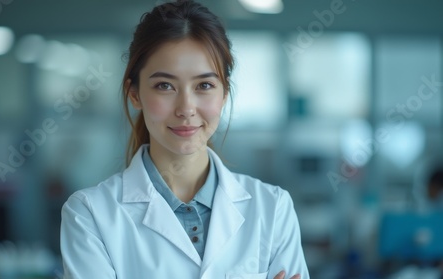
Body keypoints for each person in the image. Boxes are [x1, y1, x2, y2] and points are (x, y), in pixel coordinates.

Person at [60, 1, 309, 278]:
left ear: (224, 94)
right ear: (135, 94)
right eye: (165, 86)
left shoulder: (272, 208)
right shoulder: (90, 214)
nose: (186, 108)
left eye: (204, 85)